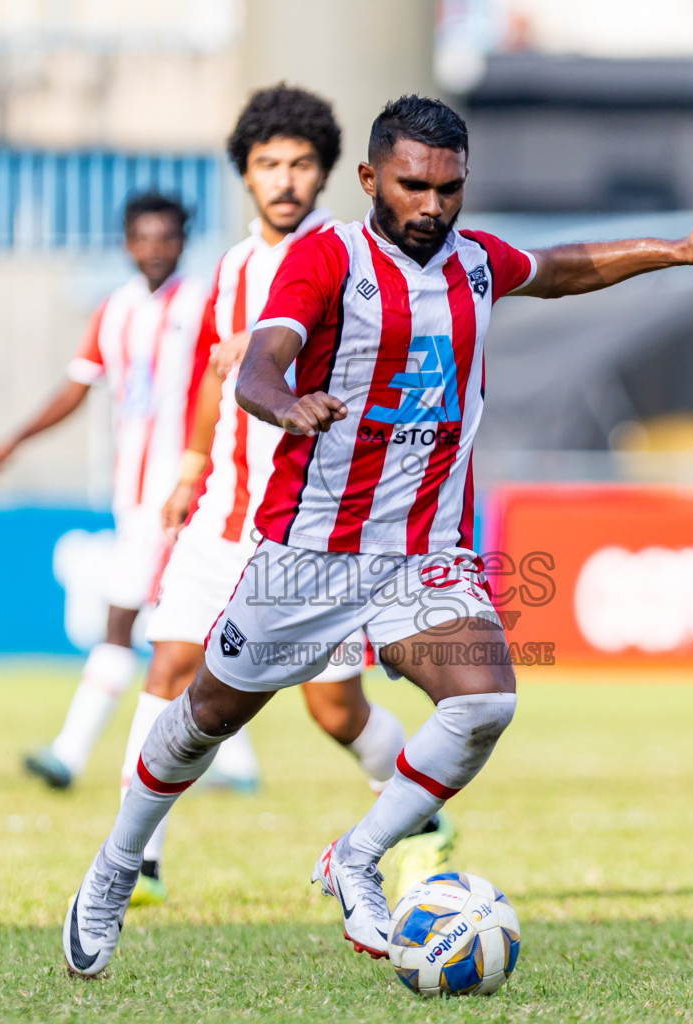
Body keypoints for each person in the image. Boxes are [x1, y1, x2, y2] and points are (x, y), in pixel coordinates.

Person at [60, 93, 693, 977]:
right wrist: (287, 403)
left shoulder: (474, 261)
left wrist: (676, 250)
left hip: (422, 554)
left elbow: (564, 265)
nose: (432, 206)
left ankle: (355, 855)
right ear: (369, 180)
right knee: (203, 716)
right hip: (308, 554)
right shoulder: (325, 260)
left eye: (450, 188)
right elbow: (260, 366)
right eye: (413, 186)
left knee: (485, 701)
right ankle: (116, 865)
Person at [112, 84, 454, 908]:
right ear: (247, 176)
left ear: (335, 173)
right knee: (171, 663)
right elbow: (215, 372)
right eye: (269, 165)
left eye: (302, 164)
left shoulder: (354, 260)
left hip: (315, 527)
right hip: (229, 509)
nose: (286, 180)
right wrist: (194, 462)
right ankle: (138, 859)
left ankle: (422, 820)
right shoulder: (231, 265)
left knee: (334, 709)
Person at [0, 193, 207, 791]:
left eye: (167, 236)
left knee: (128, 623)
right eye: (144, 236)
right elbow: (78, 386)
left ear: (183, 241)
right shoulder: (115, 309)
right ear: (127, 243)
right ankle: (230, 764)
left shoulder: (204, 302)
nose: (155, 247)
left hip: (183, 496)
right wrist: (18, 437)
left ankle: (70, 753)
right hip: (133, 495)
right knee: (183, 630)